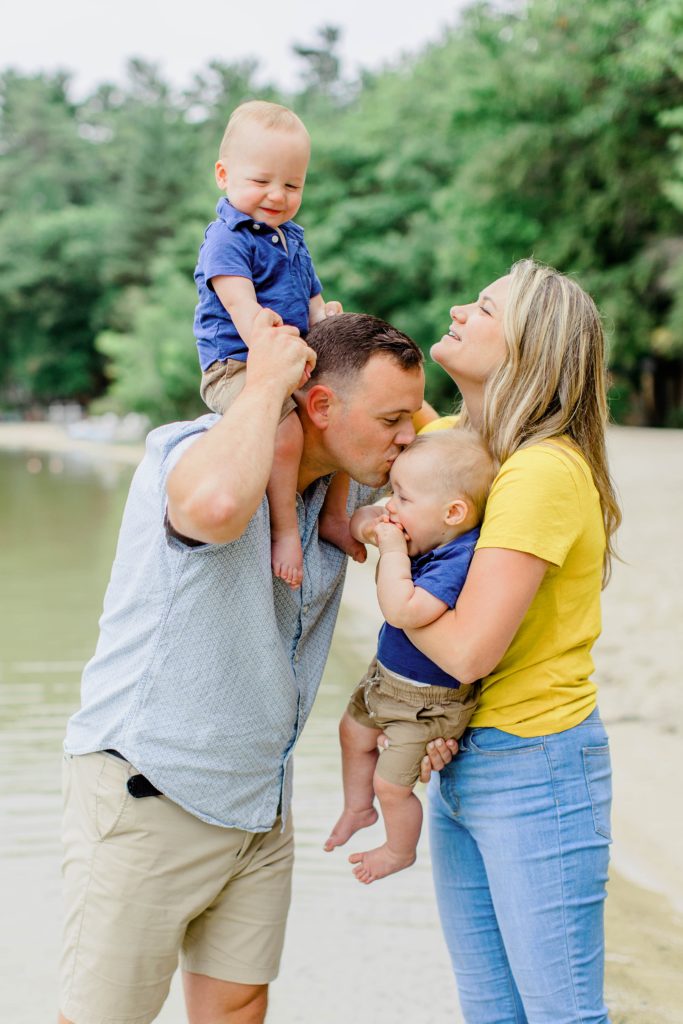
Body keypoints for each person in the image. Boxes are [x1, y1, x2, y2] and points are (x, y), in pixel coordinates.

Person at [58, 310, 425, 1024]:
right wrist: (264, 382)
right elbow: (220, 506)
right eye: (391, 419)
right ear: (318, 405)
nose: (407, 435)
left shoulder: (339, 489)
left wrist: (351, 342)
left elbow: (459, 461)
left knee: (237, 1009)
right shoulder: (197, 451)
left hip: (258, 799)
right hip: (152, 789)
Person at [410, 258, 621, 1023]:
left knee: (561, 1015)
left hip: (535, 767)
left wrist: (393, 587)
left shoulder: (540, 471)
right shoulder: (465, 452)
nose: (461, 307)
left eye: (487, 308)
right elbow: (381, 417)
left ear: (529, 348)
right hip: (464, 763)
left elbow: (468, 651)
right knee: (491, 1014)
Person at [193, 99, 362, 590]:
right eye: (261, 181)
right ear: (224, 175)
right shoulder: (226, 239)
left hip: (292, 359)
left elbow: (313, 302)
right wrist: (264, 333)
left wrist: (326, 322)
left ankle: (333, 514)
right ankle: (285, 530)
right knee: (286, 433)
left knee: (347, 411)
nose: (277, 195)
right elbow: (242, 310)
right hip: (239, 363)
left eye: (292, 185)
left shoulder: (293, 239)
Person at [324, 429, 497, 884]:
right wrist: (373, 524)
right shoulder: (427, 529)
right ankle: (358, 809)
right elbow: (363, 515)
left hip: (425, 704)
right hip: (384, 679)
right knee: (351, 733)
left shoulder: (457, 559)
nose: (391, 506)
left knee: (392, 785)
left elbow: (402, 610)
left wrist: (393, 549)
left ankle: (400, 850)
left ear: (453, 512)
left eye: (402, 497)